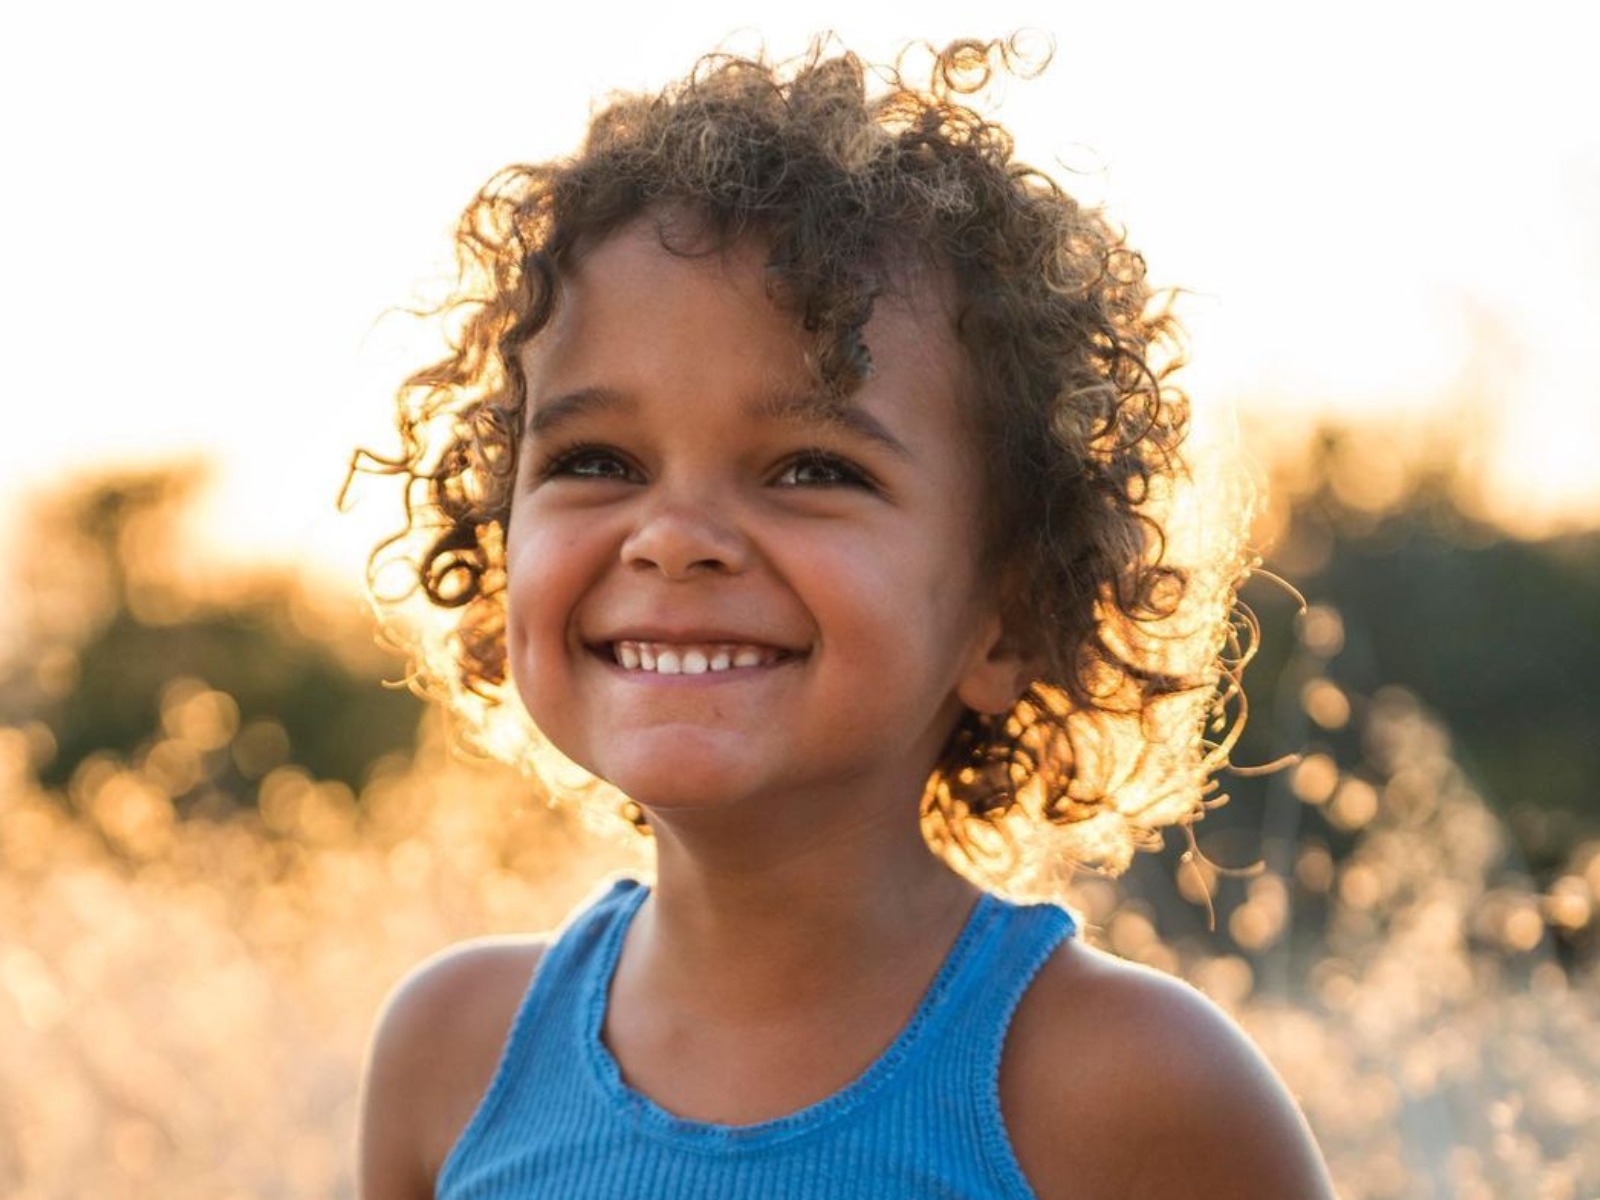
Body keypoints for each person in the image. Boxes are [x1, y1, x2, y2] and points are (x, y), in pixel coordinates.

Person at [352, 36, 1337, 1199]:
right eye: (599, 458)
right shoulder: (452, 1059)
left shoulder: (1125, 1090)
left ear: (1008, 618)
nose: (673, 535)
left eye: (813, 469)